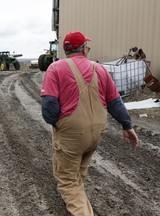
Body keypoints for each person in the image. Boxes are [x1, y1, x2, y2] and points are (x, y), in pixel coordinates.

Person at [40, 31, 139, 216]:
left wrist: (57, 123)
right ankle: (77, 194)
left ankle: (78, 204)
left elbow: (49, 107)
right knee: (80, 166)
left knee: (67, 179)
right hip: (97, 132)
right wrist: (127, 126)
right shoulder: (100, 69)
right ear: (84, 49)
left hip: (72, 133)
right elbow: (115, 103)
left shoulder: (55, 68)